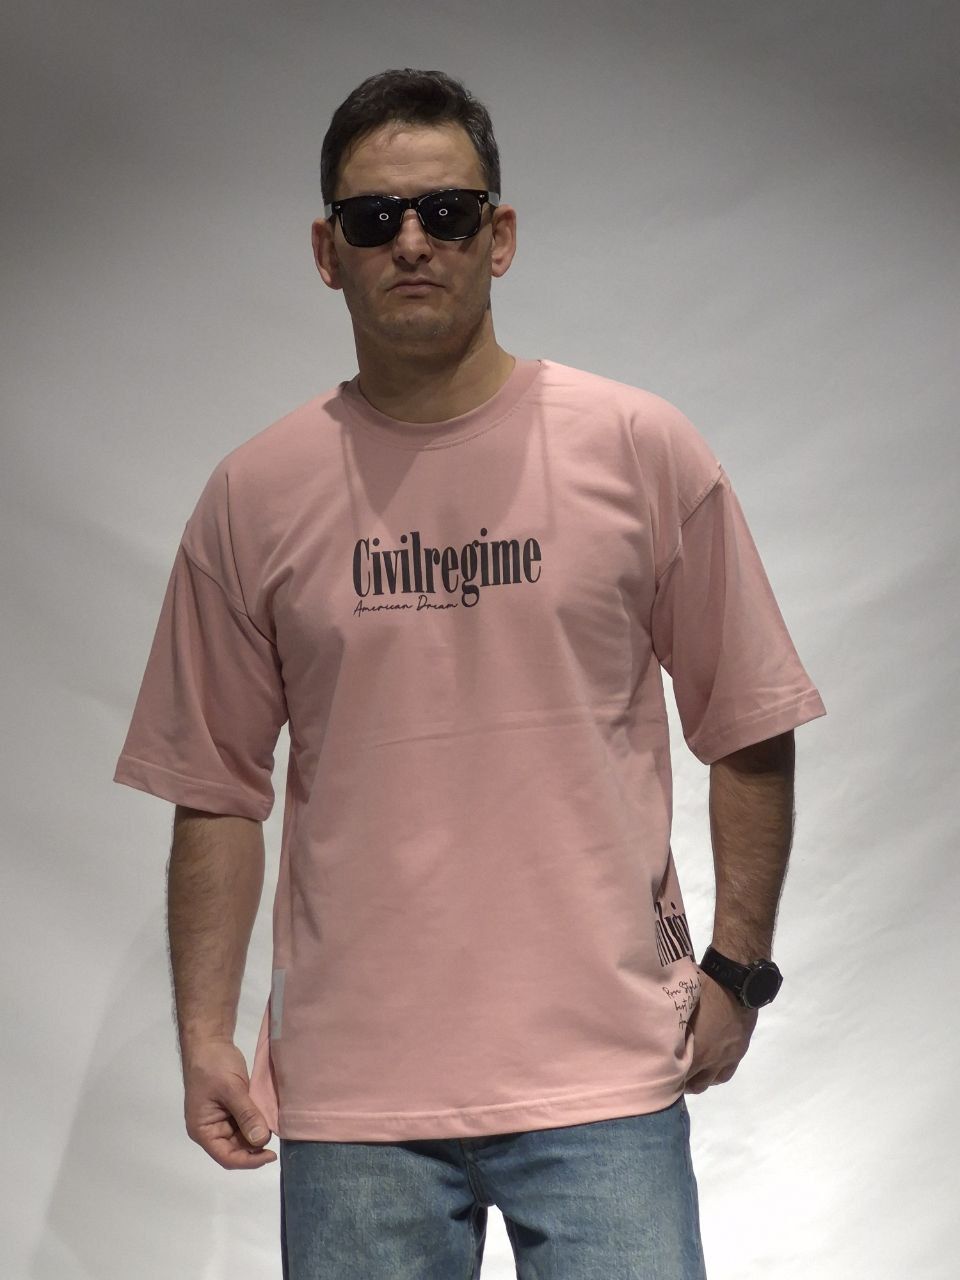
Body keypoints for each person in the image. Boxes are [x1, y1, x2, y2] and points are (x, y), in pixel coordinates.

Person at [113, 67, 827, 1279]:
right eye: (373, 217)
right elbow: (216, 786)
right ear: (327, 252)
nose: (412, 240)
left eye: (446, 211)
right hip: (356, 1095)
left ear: (499, 237)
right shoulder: (254, 495)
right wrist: (203, 1035)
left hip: (603, 1074)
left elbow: (748, 715)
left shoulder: (638, 449)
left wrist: (738, 970)